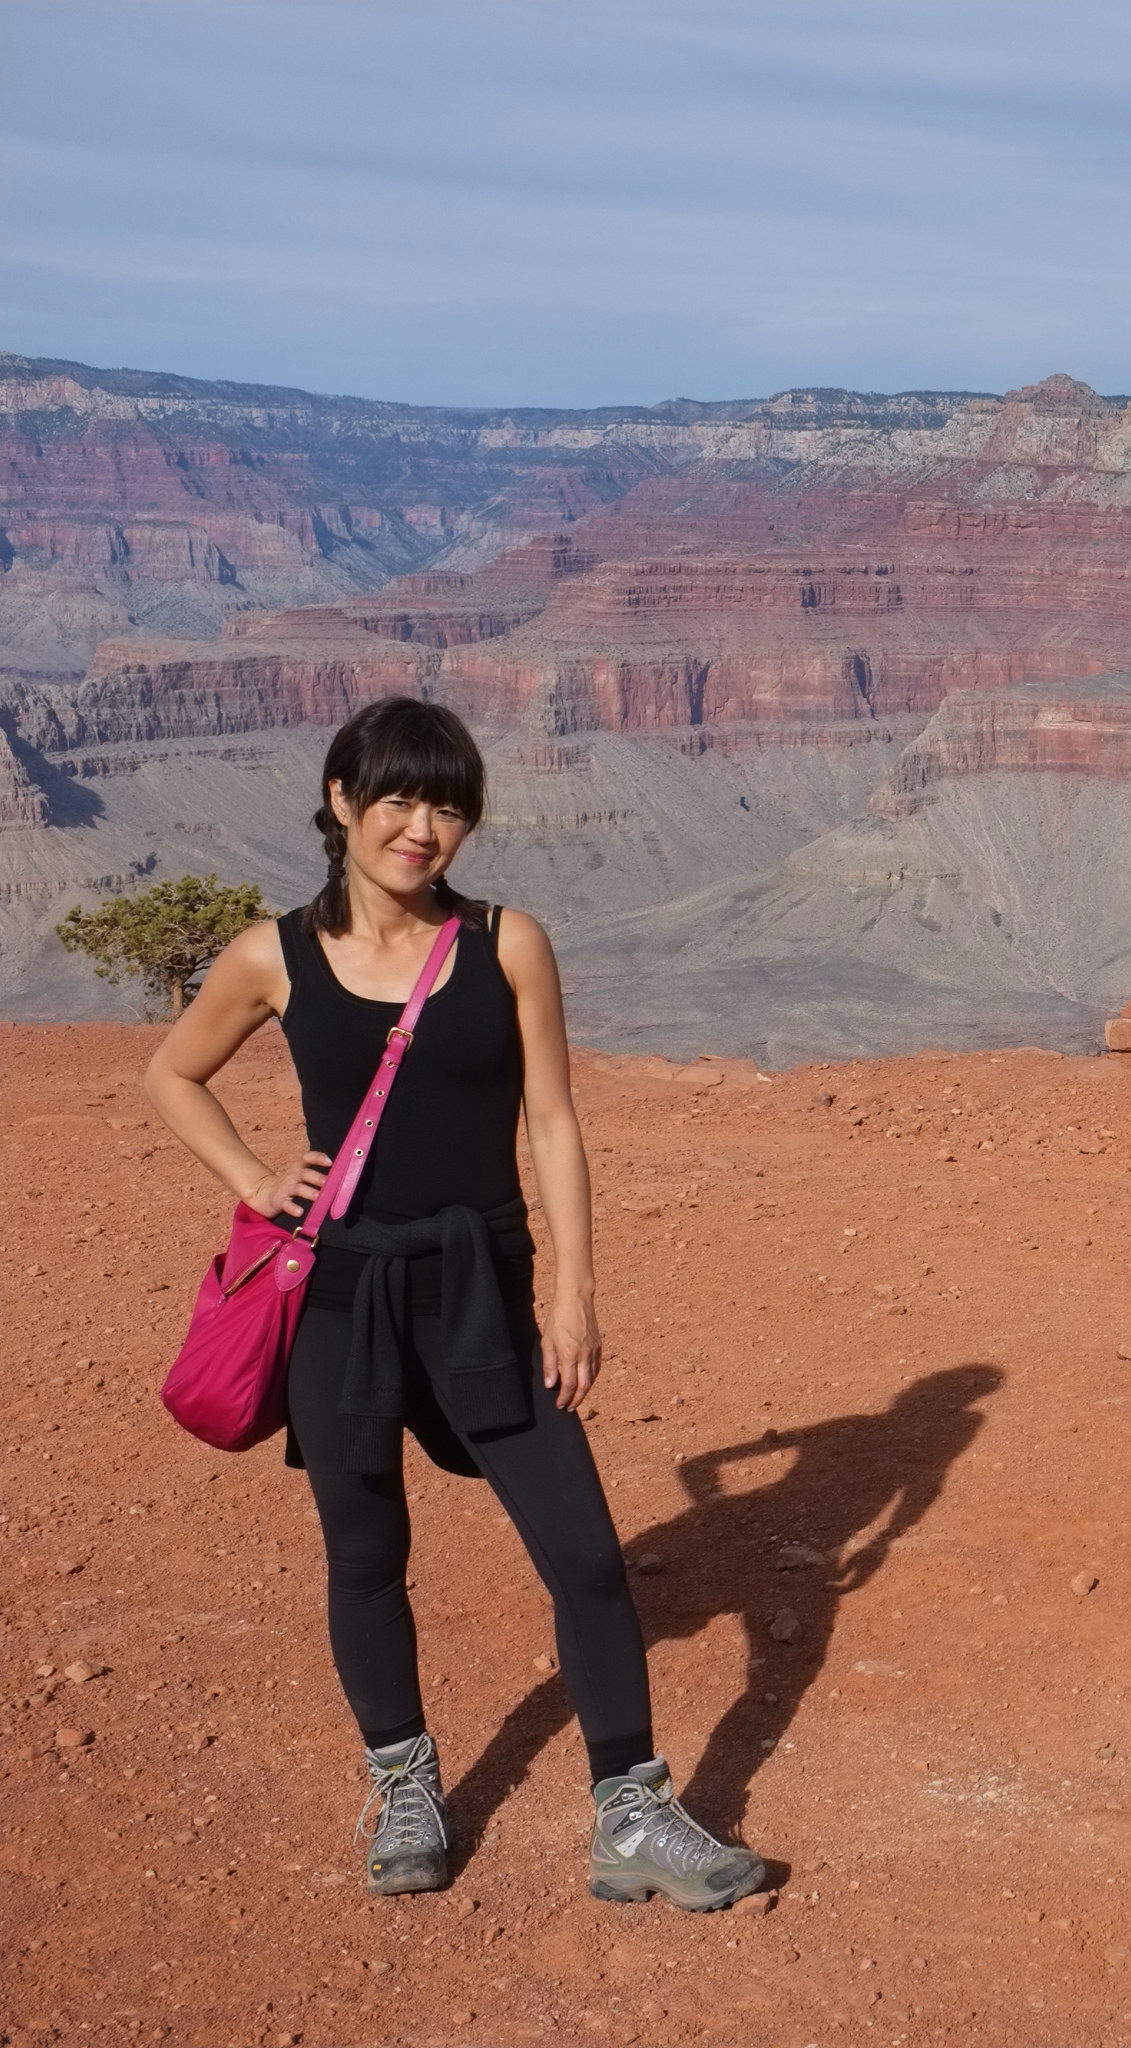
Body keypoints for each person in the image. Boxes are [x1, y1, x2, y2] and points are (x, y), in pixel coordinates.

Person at [144, 696, 766, 1911]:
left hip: (485, 1287)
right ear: (340, 801)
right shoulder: (275, 955)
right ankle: (408, 1785)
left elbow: (551, 1118)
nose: (423, 828)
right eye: (398, 799)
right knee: (366, 1550)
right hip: (341, 1296)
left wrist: (577, 1292)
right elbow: (171, 1071)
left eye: (448, 805)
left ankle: (630, 1811)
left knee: (584, 1550)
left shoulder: (506, 942)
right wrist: (260, 1179)